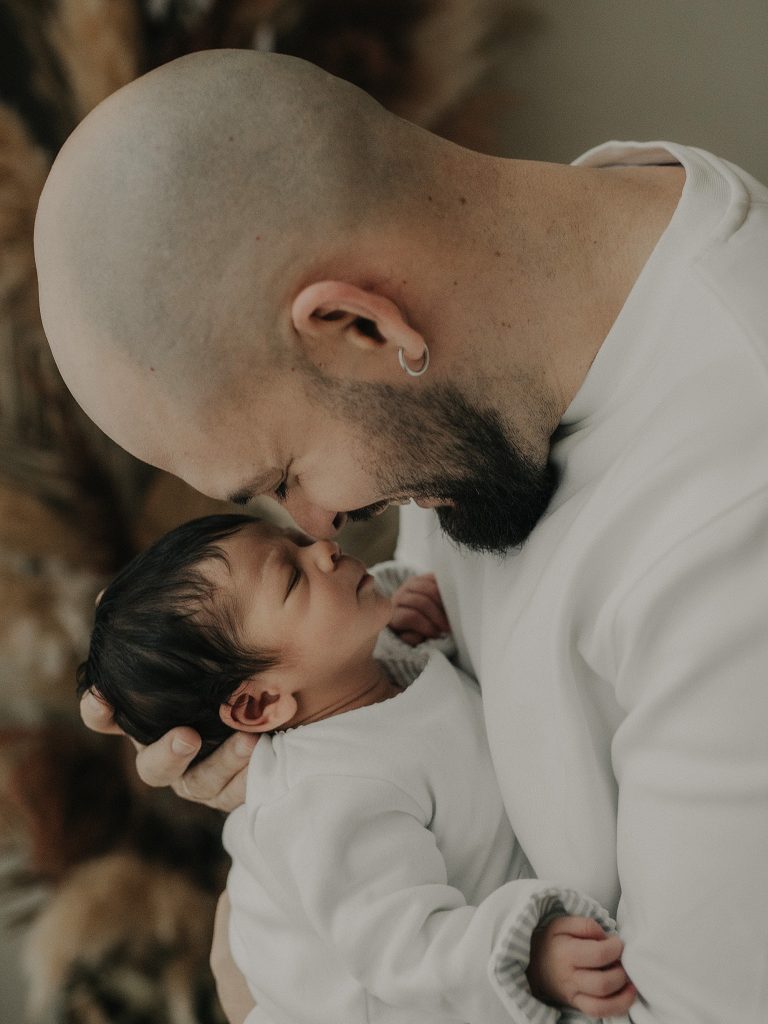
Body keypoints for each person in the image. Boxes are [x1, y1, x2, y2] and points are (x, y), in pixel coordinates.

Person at [33, 48, 768, 1023]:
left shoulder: (729, 523)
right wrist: (291, 792)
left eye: (284, 475)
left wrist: (248, 986)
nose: (320, 526)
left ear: (359, 325)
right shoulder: (501, 353)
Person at [77, 512, 635, 1023]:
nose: (323, 548)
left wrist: (402, 614)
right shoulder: (328, 798)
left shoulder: (360, 669)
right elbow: (404, 954)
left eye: (296, 541)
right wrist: (526, 959)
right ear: (259, 705)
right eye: (294, 578)